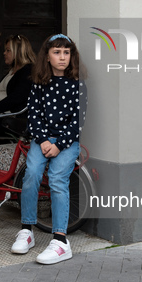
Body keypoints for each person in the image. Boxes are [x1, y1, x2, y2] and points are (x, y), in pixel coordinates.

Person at [11, 33, 87, 265]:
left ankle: (61, 241)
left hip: (66, 142)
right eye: (57, 52)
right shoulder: (39, 83)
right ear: (47, 56)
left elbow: (78, 121)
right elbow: (33, 114)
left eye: (67, 52)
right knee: (31, 175)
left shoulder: (78, 85)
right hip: (41, 140)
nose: (62, 57)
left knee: (56, 179)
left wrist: (59, 145)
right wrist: (43, 141)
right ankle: (26, 230)